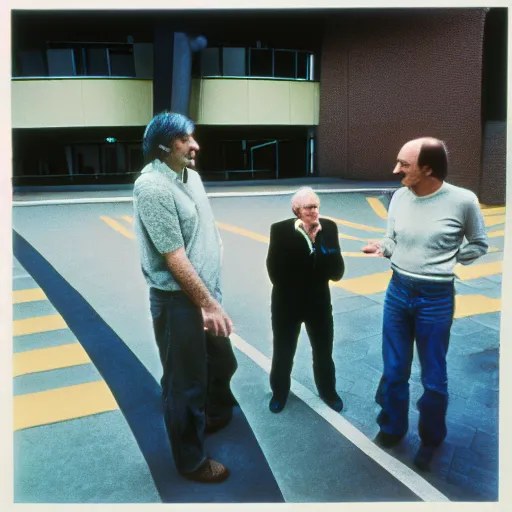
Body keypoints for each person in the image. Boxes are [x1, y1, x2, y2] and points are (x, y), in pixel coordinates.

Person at [362, 137, 488, 470]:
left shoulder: (463, 201)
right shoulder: (399, 197)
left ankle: (431, 439)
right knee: (393, 370)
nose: (395, 170)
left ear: (428, 168)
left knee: (433, 377)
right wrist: (383, 247)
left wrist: (449, 258)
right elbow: (393, 239)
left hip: (436, 298)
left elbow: (479, 243)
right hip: (398, 291)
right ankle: (393, 428)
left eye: (404, 164)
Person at [133, 111, 238, 484]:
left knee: (222, 363)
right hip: (180, 303)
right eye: (186, 140)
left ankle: (207, 414)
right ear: (164, 147)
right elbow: (174, 257)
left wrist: (213, 294)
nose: (196, 146)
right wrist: (206, 304)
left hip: (206, 294)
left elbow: (204, 232)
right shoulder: (153, 188)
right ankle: (190, 460)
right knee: (184, 384)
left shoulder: (189, 177)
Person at [266, 187, 345, 414]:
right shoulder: (280, 230)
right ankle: (279, 393)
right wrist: (308, 249)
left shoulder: (328, 228)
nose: (315, 211)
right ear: (297, 210)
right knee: (283, 351)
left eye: (317, 206)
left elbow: (337, 271)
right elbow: (275, 274)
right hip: (286, 305)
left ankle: (328, 391)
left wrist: (316, 245)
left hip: (318, 304)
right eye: (309, 207)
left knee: (323, 352)